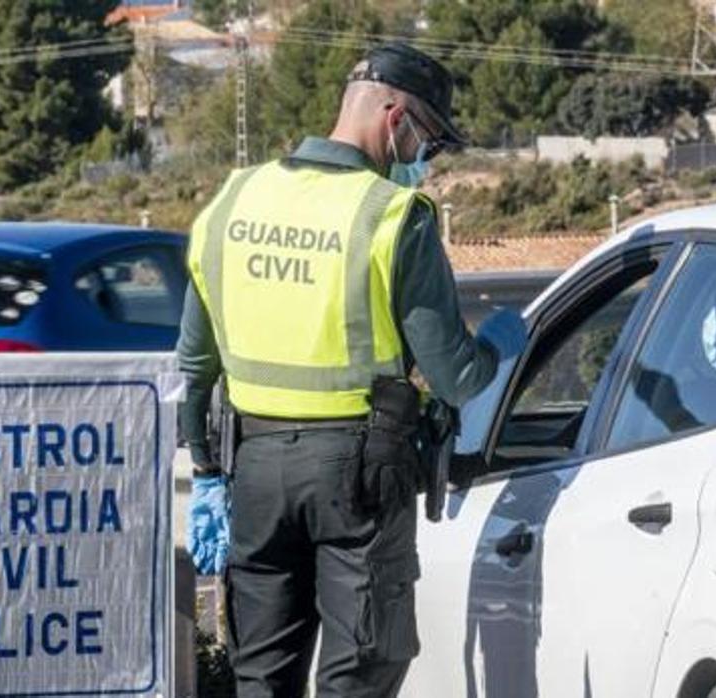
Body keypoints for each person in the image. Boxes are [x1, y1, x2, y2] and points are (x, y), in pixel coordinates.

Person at [177, 42, 529, 698]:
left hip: (253, 474)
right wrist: (502, 344)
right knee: (359, 674)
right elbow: (459, 379)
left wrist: (205, 475)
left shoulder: (233, 200)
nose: (427, 159)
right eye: (430, 140)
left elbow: (195, 369)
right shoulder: (393, 217)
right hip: (359, 480)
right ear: (395, 118)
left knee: (261, 676)